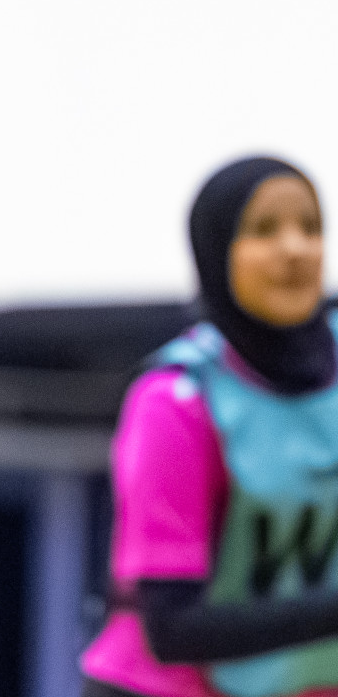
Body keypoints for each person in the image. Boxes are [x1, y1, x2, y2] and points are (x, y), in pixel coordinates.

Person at [81, 156, 338, 697]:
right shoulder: (176, 399)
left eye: (311, 228)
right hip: (163, 687)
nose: (294, 249)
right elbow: (172, 629)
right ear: (216, 252)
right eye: (264, 229)